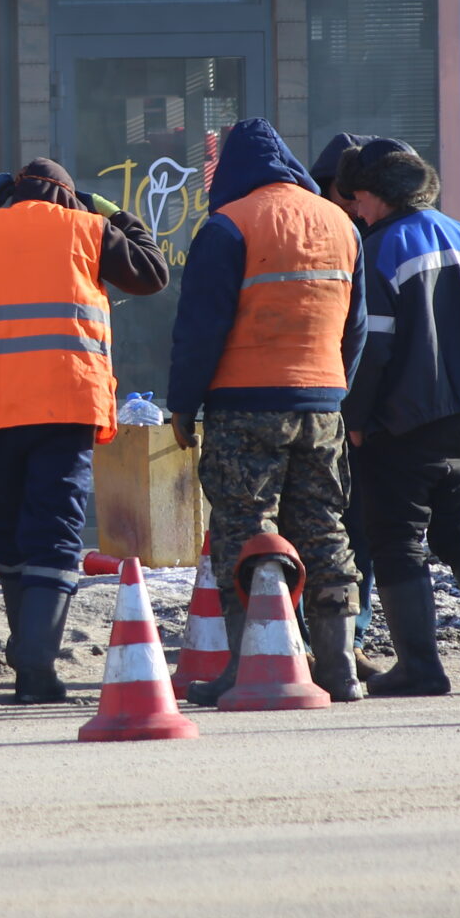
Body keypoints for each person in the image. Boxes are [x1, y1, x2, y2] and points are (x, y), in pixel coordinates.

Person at [0, 157, 170, 702]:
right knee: (54, 531)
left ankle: (27, 653)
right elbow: (152, 275)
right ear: (70, 197)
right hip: (66, 403)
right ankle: (35, 664)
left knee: (7, 527)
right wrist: (117, 214)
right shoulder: (90, 227)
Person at [166, 119, 368, 703]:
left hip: (244, 406)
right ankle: (339, 670)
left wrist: (184, 404)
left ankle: (250, 667)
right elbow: (355, 330)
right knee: (326, 530)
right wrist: (333, 392)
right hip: (322, 403)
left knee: (246, 532)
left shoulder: (228, 226)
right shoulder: (342, 225)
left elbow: (199, 330)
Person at [336, 141, 460, 697]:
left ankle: (421, 666)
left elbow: (371, 347)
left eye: (361, 198)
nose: (356, 208)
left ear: (381, 195)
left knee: (396, 539)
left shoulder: (379, 249)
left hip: (399, 422)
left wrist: (356, 416)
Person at [310, 130, 418, 671]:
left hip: (361, 409)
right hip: (328, 401)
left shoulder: (379, 238)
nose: (351, 204)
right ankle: (334, 640)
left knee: (361, 527)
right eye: (344, 194)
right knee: (336, 524)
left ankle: (351, 638)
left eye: (357, 195)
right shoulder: (328, 232)